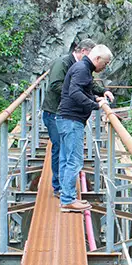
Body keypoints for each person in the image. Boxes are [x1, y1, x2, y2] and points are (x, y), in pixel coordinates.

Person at [54, 44, 115, 212]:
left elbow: (82, 90)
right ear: (97, 59)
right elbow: (74, 92)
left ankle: (66, 196)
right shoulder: (82, 69)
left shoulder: (82, 68)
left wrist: (96, 98)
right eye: (106, 62)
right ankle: (67, 200)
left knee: (66, 159)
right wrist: (95, 106)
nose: (106, 66)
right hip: (72, 120)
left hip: (66, 119)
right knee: (74, 161)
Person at [43, 39, 97, 199]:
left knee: (64, 149)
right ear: (84, 51)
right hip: (54, 111)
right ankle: (59, 187)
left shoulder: (81, 67)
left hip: (64, 112)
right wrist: (76, 97)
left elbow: (88, 84)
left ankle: (64, 187)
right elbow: (56, 85)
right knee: (60, 148)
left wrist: (102, 91)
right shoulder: (63, 62)